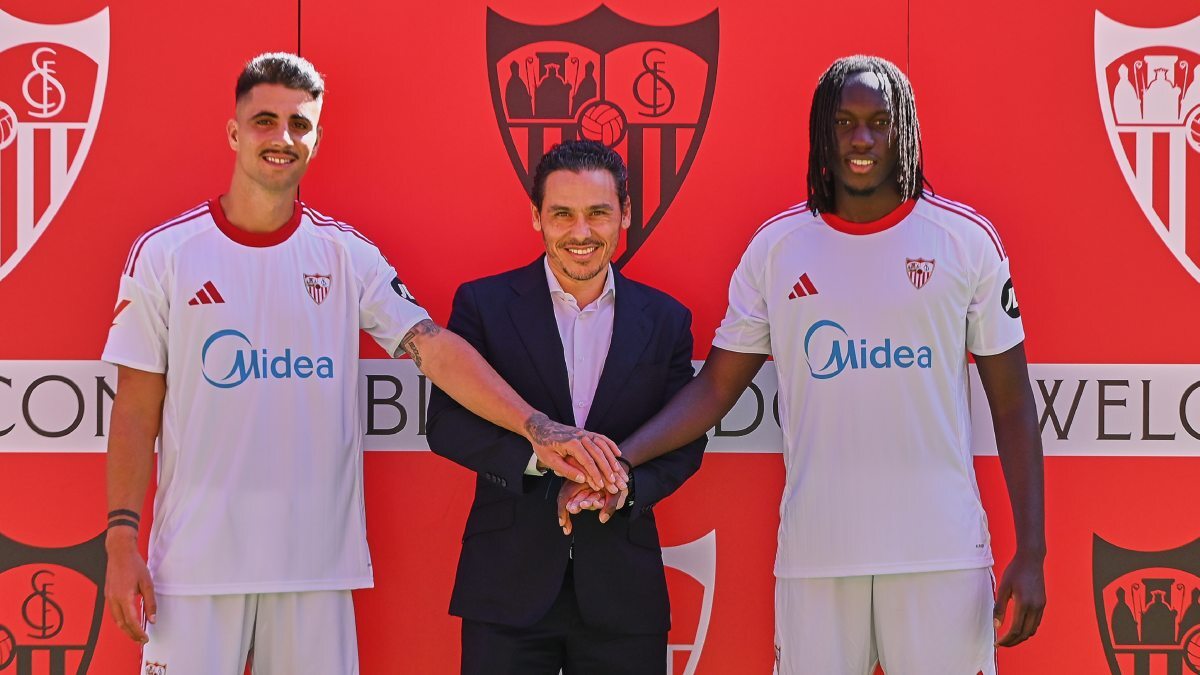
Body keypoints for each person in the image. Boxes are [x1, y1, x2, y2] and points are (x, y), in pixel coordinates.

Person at [101, 53, 624, 675]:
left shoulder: (345, 254)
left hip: (317, 568)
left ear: (315, 140)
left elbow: (431, 345)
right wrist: (121, 537)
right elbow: (134, 409)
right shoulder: (166, 254)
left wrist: (535, 426)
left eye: (300, 125)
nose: (282, 138)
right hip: (193, 567)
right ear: (234, 133)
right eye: (265, 121)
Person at [566, 55, 1047, 674]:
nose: (862, 139)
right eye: (844, 122)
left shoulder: (964, 241)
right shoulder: (778, 248)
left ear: (906, 129)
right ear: (823, 132)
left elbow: (1011, 405)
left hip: (941, 555)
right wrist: (621, 461)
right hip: (817, 559)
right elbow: (714, 387)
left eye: (879, 121)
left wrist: (1031, 550)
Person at [427, 139, 706, 675]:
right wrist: (541, 455)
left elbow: (685, 440)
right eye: (562, 214)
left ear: (625, 213)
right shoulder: (483, 305)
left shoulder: (667, 319)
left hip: (624, 595)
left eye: (598, 213)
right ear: (536, 217)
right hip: (505, 590)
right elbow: (446, 424)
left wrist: (620, 484)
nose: (581, 232)